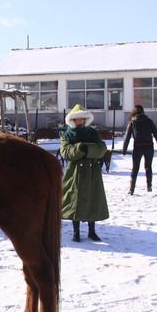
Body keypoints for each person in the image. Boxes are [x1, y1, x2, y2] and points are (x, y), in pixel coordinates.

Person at [61, 104, 109, 242]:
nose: (80, 121)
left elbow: (101, 149)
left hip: (92, 172)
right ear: (73, 120)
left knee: (92, 200)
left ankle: (92, 231)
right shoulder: (66, 134)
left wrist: (86, 148)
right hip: (74, 172)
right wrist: (78, 148)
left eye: (82, 119)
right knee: (74, 201)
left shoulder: (92, 133)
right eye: (77, 119)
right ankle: (76, 232)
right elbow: (65, 152)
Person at [122, 104, 157, 194]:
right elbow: (156, 134)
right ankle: (149, 187)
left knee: (135, 168)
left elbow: (127, 137)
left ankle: (131, 189)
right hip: (149, 147)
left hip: (137, 147)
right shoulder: (149, 121)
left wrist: (124, 149)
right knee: (148, 167)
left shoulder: (132, 122)